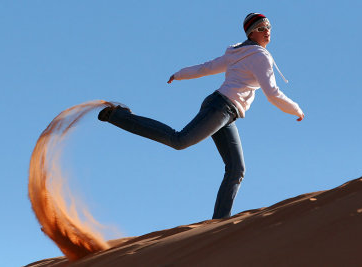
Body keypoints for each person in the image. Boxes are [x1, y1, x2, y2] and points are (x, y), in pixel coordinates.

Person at [98, 13, 304, 219]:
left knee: (236, 169)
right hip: (221, 108)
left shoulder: (241, 53)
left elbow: (206, 68)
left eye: (268, 26)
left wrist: (180, 73)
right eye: (260, 28)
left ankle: (219, 221)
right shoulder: (260, 56)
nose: (266, 30)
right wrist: (296, 109)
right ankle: (119, 115)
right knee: (179, 140)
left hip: (225, 111)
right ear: (251, 33)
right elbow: (272, 93)